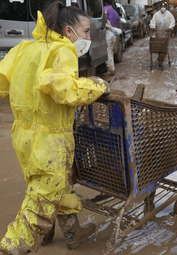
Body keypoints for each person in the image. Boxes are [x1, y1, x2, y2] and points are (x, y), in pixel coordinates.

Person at [0, 2, 109, 254]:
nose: (88, 37)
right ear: (69, 31)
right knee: (46, 191)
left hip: (23, 134)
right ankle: (15, 245)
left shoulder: (27, 47)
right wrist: (97, 86)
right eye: (85, 31)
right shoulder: (63, 50)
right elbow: (63, 90)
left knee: (55, 184)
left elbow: (4, 84)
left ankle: (72, 231)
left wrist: (28, 101)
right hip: (50, 138)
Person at [103, 0, 120, 75]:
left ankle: (111, 70)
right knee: (111, 51)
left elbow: (105, 13)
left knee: (108, 52)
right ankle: (110, 68)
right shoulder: (115, 12)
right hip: (113, 34)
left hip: (108, 33)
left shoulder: (105, 8)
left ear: (105, 2)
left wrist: (104, 22)